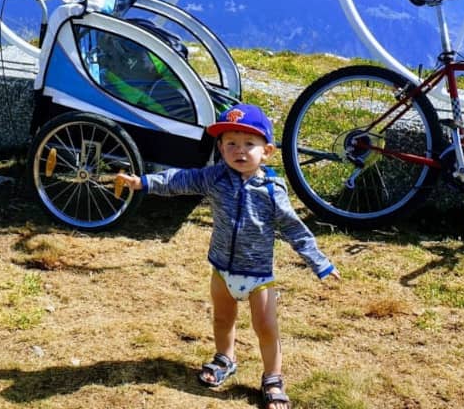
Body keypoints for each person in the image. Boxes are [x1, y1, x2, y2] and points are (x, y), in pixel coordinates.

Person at [114, 102, 339, 409]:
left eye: (250, 143)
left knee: (266, 327)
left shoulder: (272, 190)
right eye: (231, 143)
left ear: (267, 151)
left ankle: (272, 377)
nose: (240, 151)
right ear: (220, 148)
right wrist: (145, 182)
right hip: (221, 269)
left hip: (259, 275)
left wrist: (320, 262)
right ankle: (225, 358)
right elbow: (182, 180)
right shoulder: (215, 177)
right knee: (222, 318)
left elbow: (293, 229)